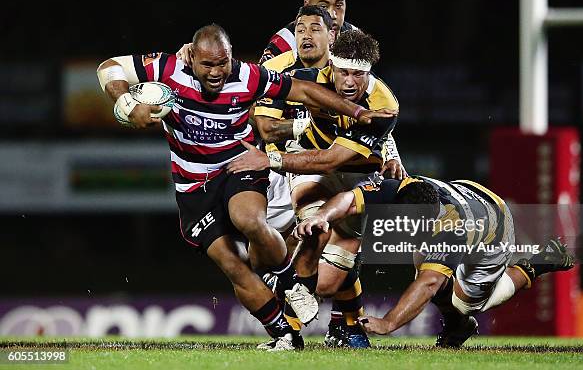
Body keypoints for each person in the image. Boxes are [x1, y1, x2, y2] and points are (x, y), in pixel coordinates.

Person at [96, 23, 393, 351]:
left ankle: (290, 281)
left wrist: (356, 111)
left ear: (231, 57)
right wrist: (126, 102)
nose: (216, 72)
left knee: (249, 219)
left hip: (240, 165)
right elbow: (109, 67)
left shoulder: (249, 76)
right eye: (207, 65)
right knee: (233, 264)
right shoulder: (168, 68)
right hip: (193, 185)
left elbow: (304, 91)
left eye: (222, 63)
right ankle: (285, 334)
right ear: (191, 57)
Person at [227, 29, 400, 348]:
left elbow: (331, 160)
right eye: (344, 72)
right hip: (308, 171)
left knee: (328, 282)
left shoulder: (384, 105)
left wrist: (269, 159)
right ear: (331, 64)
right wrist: (192, 56)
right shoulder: (303, 78)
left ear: (369, 73)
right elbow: (247, 84)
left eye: (358, 75)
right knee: (312, 228)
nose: (349, 82)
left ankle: (328, 312)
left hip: (356, 176)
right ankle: (294, 313)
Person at [294, 175, 576, 347]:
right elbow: (346, 200)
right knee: (425, 263)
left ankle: (537, 263)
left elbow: (429, 284)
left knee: (465, 302)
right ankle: (457, 327)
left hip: (493, 227)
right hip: (470, 191)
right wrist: (322, 216)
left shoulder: (450, 229)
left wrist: (388, 323)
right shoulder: (403, 188)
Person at [259, 0, 357, 64]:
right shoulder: (286, 41)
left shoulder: (355, 36)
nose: (333, 15)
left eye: (339, 5)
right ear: (307, 5)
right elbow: (261, 77)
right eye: (323, 7)